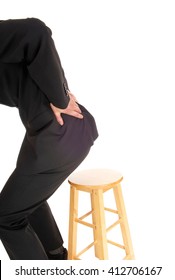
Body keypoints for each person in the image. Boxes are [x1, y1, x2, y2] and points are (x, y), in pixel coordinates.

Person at [0, 18, 98, 260]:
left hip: (57, 135)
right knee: (23, 197)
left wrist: (60, 99)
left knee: (5, 218)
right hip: (67, 132)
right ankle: (56, 257)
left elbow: (35, 31)